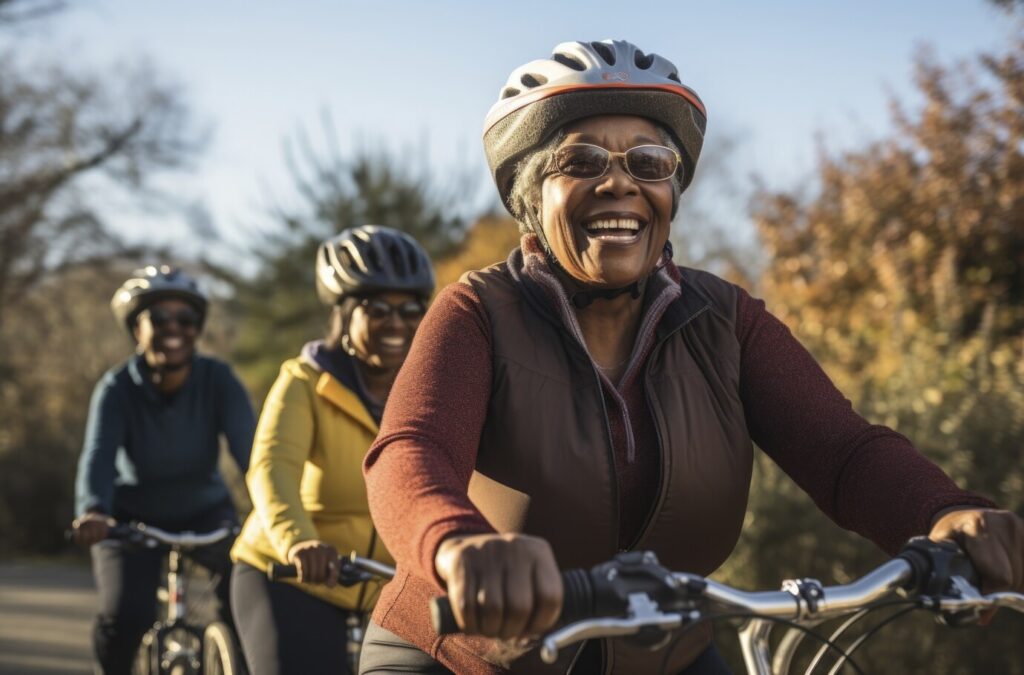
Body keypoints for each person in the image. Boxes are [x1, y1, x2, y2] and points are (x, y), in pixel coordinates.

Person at [359, 40, 1024, 675]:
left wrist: (941, 510)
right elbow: (410, 450)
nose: (619, 183)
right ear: (532, 196)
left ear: (671, 195)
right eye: (582, 161)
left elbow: (843, 453)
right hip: (458, 653)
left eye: (648, 164)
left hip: (664, 653)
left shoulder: (728, 321)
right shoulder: (478, 311)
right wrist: (458, 544)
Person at [230, 225, 435, 675]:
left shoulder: (433, 393)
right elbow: (272, 467)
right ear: (345, 315)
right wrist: (299, 542)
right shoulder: (304, 382)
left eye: (411, 310)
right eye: (378, 309)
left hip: (390, 590)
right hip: (292, 574)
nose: (397, 323)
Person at [72, 265, 256, 675]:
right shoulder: (116, 388)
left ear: (197, 328)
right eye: (158, 318)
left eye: (186, 319)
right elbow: (98, 455)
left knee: (247, 603)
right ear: (136, 329)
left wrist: (273, 508)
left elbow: (252, 452)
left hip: (206, 511)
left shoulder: (218, 379)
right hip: (128, 518)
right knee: (124, 616)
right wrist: (94, 510)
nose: (173, 328)